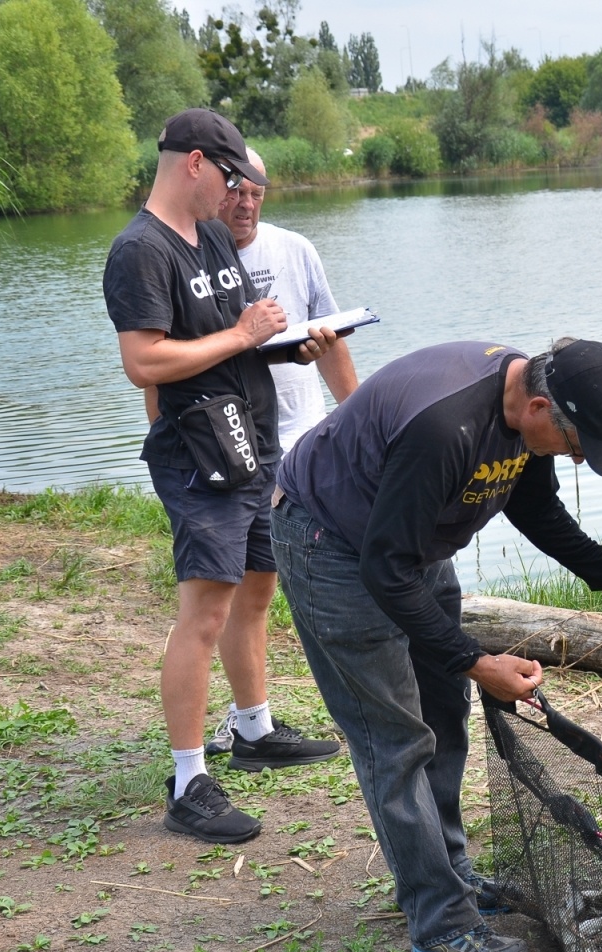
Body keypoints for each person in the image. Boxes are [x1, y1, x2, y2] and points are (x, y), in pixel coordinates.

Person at [270, 337, 602, 952]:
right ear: (540, 406)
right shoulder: (445, 427)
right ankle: (439, 920)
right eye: (572, 445)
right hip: (335, 548)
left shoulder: (527, 411)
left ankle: (451, 873)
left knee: (444, 715)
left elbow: (535, 508)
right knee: (395, 740)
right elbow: (384, 567)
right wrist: (477, 661)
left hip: (411, 549)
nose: (572, 457)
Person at [103, 108, 341, 846]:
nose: (238, 196)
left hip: (252, 442)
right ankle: (187, 781)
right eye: (231, 177)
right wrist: (242, 334)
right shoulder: (139, 251)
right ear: (197, 163)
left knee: (257, 589)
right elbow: (145, 360)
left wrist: (283, 347)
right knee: (203, 614)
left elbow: (231, 339)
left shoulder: (209, 237)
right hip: (197, 453)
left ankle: (253, 729)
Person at [199, 145, 360, 758]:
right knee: (231, 590)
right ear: (211, 183)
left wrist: (361, 417)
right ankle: (244, 726)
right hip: (227, 446)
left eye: (255, 193)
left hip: (302, 444)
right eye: (234, 190)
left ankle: (256, 724)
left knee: (284, 582)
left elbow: (334, 338)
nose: (244, 204)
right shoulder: (188, 259)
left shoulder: (295, 251)